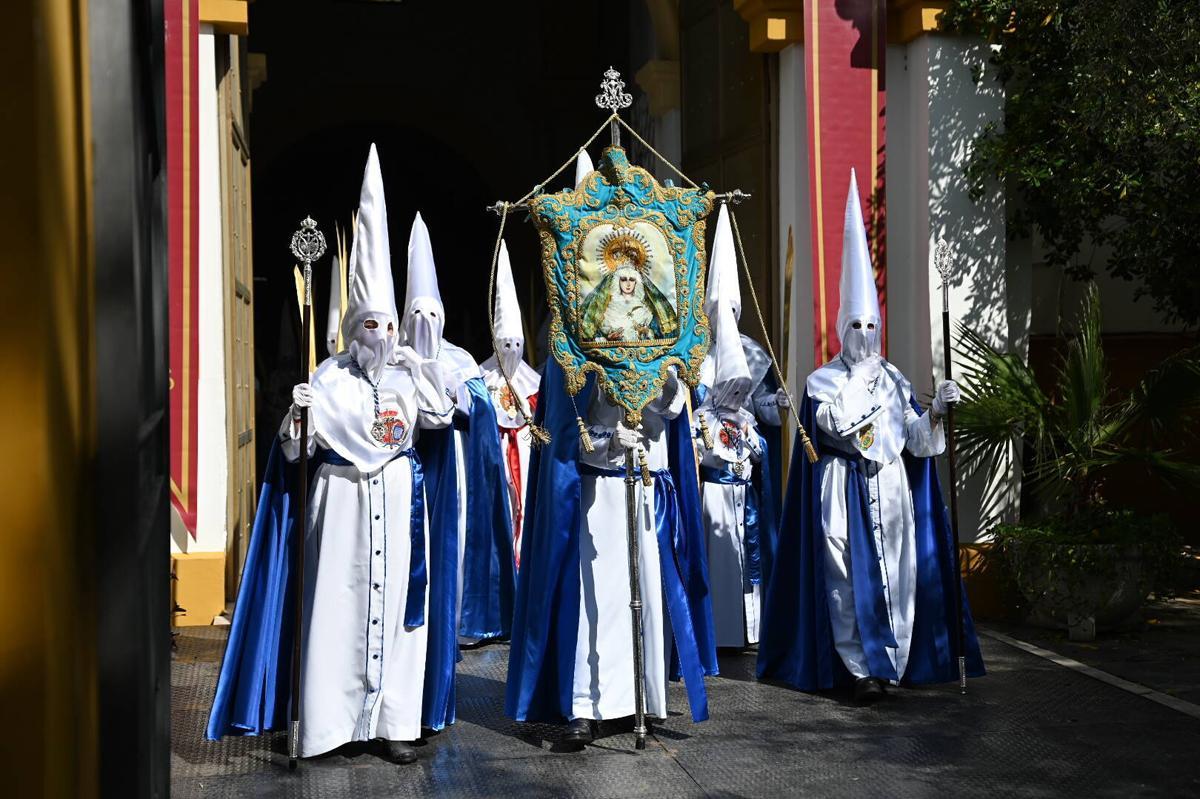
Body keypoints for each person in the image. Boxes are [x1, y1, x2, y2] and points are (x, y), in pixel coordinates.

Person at [206, 144, 457, 764]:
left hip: (400, 503)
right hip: (341, 503)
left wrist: (417, 365)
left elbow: (441, 416)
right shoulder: (329, 378)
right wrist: (297, 411)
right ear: (353, 328)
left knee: (399, 604)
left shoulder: (405, 375)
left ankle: (395, 722)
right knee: (337, 607)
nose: (384, 336)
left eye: (389, 324)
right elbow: (296, 448)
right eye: (372, 325)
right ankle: (329, 723)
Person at [758, 171, 985, 703]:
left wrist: (935, 415)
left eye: (871, 325)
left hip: (891, 492)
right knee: (844, 579)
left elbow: (913, 440)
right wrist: (859, 400)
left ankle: (895, 662)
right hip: (841, 491)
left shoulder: (895, 377)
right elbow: (832, 430)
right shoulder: (822, 380)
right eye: (855, 325)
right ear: (843, 327)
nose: (864, 335)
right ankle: (858, 666)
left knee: (900, 573)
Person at [505, 353, 717, 745]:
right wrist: (606, 440)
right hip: (597, 491)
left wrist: (662, 374)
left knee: (648, 596)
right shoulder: (573, 352)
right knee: (596, 600)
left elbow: (673, 407)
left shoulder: (661, 347)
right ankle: (587, 706)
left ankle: (643, 699)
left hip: (649, 483)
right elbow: (565, 431)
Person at [402, 213, 513, 658]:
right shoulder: (393, 356)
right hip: (408, 461)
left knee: (451, 539)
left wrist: (458, 394)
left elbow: (482, 408)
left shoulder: (461, 359)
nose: (426, 321)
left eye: (433, 313)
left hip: (453, 462)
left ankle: (457, 618)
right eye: (417, 313)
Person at [691, 204, 782, 650]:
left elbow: (761, 410)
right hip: (708, 472)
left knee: (749, 551)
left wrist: (773, 403)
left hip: (744, 474)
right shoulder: (692, 355)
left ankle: (751, 626)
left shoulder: (752, 353)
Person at [480, 240, 540, 569]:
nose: (512, 349)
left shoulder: (534, 384)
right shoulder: (480, 380)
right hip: (494, 459)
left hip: (526, 457)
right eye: (505, 343)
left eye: (517, 343)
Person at [579, 227, 677, 343]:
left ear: (637, 282)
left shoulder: (648, 309)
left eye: (632, 280)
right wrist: (608, 339)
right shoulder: (604, 310)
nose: (628, 284)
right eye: (624, 280)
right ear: (617, 282)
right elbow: (591, 337)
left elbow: (659, 336)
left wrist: (646, 333)